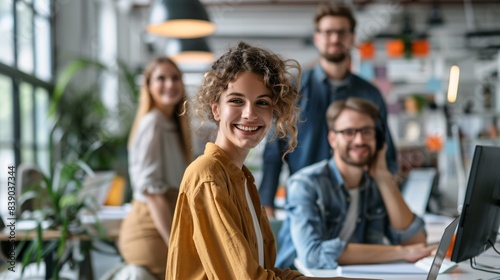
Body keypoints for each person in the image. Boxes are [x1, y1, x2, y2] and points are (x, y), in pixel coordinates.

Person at [165, 42, 373, 280]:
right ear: (216, 110)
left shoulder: (243, 179)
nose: (250, 114)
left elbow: (267, 272)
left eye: (262, 102)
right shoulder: (208, 175)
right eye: (236, 100)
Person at [259, 3, 398, 219]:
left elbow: (386, 154)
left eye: (341, 32)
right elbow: (273, 151)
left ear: (352, 38)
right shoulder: (292, 90)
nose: (334, 39)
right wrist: (266, 203)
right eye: (328, 32)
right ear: (317, 38)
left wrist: (384, 204)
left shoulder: (370, 94)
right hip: (304, 205)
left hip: (357, 209)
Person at [277, 97, 434, 269]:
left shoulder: (375, 185)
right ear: (333, 139)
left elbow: (415, 241)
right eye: (349, 132)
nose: (359, 141)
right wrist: (401, 252)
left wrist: (383, 177)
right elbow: (313, 256)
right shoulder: (305, 184)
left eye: (367, 131)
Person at [118, 57, 193, 280]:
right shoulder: (153, 123)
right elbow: (153, 194)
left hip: (166, 222)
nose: (170, 84)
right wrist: (175, 245)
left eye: (175, 78)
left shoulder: (173, 125)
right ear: (149, 86)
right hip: (151, 229)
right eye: (161, 78)